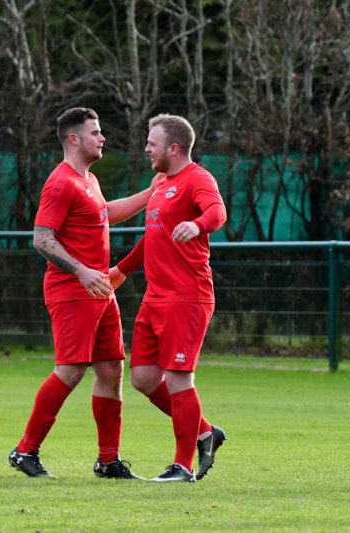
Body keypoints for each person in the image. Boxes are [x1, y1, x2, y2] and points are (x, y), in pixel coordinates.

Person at [8, 107, 155, 480]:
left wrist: (150, 193)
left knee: (111, 369)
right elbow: (42, 239)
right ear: (73, 139)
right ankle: (25, 450)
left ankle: (108, 461)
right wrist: (82, 271)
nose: (102, 138)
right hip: (72, 289)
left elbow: (104, 212)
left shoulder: (88, 180)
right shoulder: (60, 182)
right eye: (95, 132)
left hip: (99, 289)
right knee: (71, 369)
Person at [109, 114, 228, 482]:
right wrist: (122, 270)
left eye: (152, 143)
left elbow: (217, 212)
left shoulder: (198, 178)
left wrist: (197, 224)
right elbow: (153, 235)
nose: (147, 148)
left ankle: (183, 466)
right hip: (155, 297)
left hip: (187, 297)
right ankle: (205, 432)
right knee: (144, 379)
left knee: (178, 379)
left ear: (173, 148)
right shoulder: (160, 183)